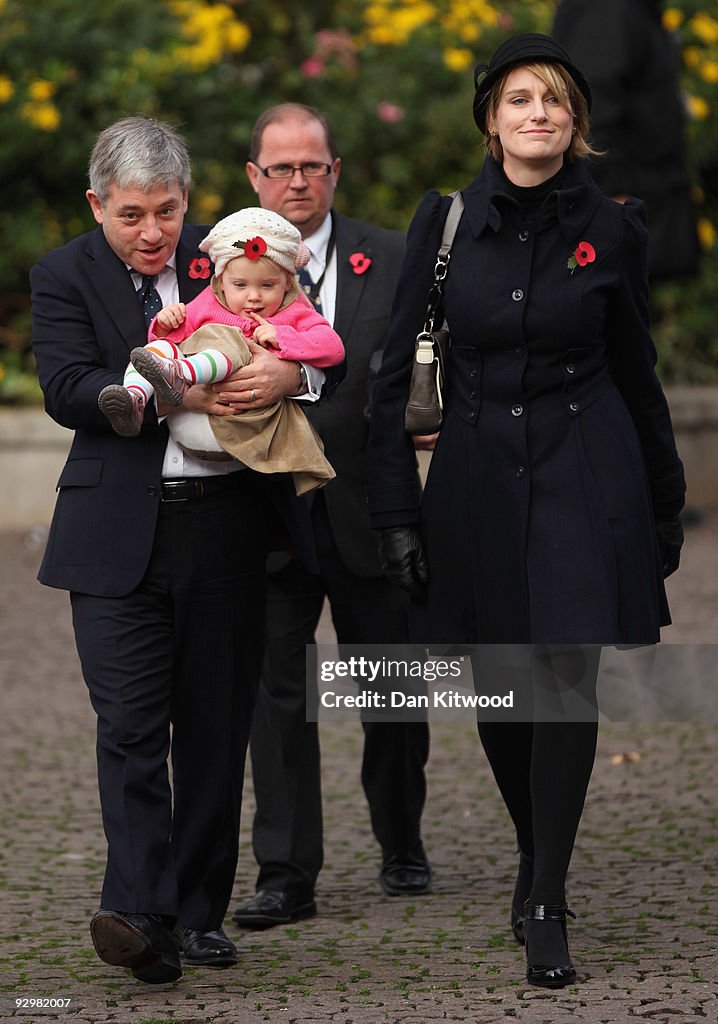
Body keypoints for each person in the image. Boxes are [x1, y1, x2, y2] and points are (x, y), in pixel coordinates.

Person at [366, 34, 685, 988]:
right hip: (472, 473)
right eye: (517, 100)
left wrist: (662, 507)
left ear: (575, 122)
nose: (537, 114)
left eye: (553, 101)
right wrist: (395, 511)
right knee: (503, 687)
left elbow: (638, 372)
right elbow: (393, 375)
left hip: (589, 469)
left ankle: (548, 896)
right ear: (491, 119)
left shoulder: (613, 226)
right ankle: (532, 847)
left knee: (562, 676)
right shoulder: (448, 221)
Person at [30, 116, 323, 984]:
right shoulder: (63, 273)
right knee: (127, 727)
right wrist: (136, 393)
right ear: (97, 205)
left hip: (226, 522)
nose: (153, 232)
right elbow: (61, 385)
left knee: (212, 726)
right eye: (131, 216)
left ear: (188, 200)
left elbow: (308, 328)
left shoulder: (231, 251)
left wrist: (293, 375)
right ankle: (142, 914)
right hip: (113, 531)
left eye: (167, 210)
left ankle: (196, 914)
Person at [231, 103, 431, 930]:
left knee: (390, 687)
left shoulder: (390, 255)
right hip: (261, 513)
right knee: (276, 701)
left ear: (335, 170)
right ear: (254, 176)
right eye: (280, 167)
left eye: (312, 165)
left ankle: (400, 838)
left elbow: (422, 360)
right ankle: (286, 873)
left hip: (368, 505)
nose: (297, 181)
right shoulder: (221, 261)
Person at [98, 206, 344, 494]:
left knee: (228, 342)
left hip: (243, 425)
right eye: (240, 285)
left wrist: (283, 337)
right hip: (190, 421)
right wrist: (165, 326)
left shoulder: (294, 311)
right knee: (158, 348)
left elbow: (333, 347)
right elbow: (178, 338)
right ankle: (135, 398)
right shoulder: (210, 301)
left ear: (288, 282)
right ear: (221, 282)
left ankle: (181, 374)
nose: (254, 296)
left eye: (268, 285)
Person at [552, 0, 700, 282]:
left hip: (643, 201)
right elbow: (590, 104)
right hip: (619, 204)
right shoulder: (607, 8)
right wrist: (609, 195)